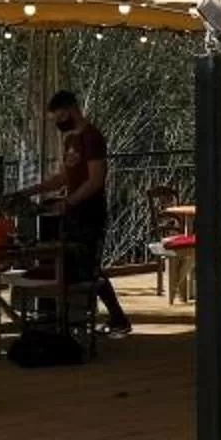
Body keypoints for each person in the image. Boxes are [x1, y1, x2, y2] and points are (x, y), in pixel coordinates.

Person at [35, 88, 130, 335]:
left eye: (59, 116)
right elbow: (64, 177)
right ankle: (76, 317)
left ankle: (115, 316)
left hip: (90, 212)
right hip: (73, 213)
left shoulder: (92, 138)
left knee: (88, 266)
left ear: (70, 110)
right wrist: (34, 190)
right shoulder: (70, 140)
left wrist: (70, 201)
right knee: (76, 264)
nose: (58, 122)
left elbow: (96, 179)